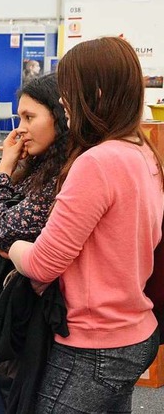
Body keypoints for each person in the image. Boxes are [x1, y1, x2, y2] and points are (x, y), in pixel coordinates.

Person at [9, 37, 164, 413]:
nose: (63, 101)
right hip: (134, 330)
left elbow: (44, 262)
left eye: (68, 90)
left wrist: (12, 244)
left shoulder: (97, 162)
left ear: (93, 92)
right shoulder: (143, 152)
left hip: (94, 343)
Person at [0, 74, 68, 413]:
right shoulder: (39, 167)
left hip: (35, 320)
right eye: (19, 117)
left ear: (60, 116)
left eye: (30, 117)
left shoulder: (61, 176)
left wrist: (2, 169)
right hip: (12, 313)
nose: (20, 128)